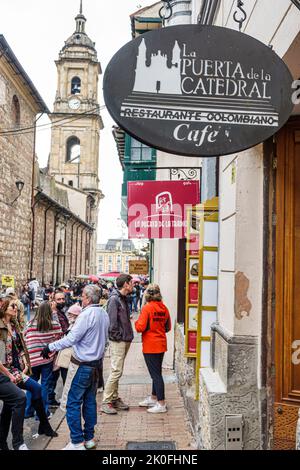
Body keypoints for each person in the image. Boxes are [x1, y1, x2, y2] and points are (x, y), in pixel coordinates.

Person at [41, 285, 109, 450]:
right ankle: (89, 438)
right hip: (95, 364)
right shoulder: (103, 313)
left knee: (72, 402)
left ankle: (77, 442)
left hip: (82, 364)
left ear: (87, 297)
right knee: (89, 401)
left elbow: (71, 339)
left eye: (83, 296)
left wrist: (50, 347)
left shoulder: (86, 315)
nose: (81, 298)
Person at [0, 299, 58, 437]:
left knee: (36, 388)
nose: (15, 308)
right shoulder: (1, 327)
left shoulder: (13, 326)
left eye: (16, 307)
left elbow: (20, 347)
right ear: (4, 308)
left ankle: (44, 426)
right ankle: (11, 441)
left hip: (14, 369)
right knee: (14, 402)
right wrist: (9, 374)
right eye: (12, 306)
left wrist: (26, 363)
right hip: (5, 371)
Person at [135, 284, 171, 414]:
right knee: (157, 372)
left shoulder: (147, 308)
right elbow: (168, 327)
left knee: (156, 375)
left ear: (148, 295)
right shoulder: (164, 308)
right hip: (161, 343)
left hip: (150, 345)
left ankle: (161, 403)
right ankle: (154, 397)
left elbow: (140, 327)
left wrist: (135, 322)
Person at [23, 302, 63, 419]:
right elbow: (59, 338)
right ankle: (42, 413)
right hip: (46, 359)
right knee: (45, 384)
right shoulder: (54, 324)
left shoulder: (30, 324)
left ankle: (28, 411)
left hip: (32, 359)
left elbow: (25, 337)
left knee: (32, 385)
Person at [101, 274, 134, 415]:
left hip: (124, 339)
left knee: (118, 370)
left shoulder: (122, 298)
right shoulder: (114, 299)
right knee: (116, 371)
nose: (133, 285)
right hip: (119, 340)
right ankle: (106, 401)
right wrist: (118, 337)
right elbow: (112, 322)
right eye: (131, 283)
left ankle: (114, 398)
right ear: (125, 284)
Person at [47, 290, 69, 406]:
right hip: (55, 348)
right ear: (53, 301)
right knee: (53, 375)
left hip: (62, 347)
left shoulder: (61, 312)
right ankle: (50, 398)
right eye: (58, 299)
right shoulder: (52, 313)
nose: (61, 301)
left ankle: (56, 398)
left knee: (61, 373)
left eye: (63, 299)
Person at [0, 363, 28, 450]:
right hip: (9, 371)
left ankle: (13, 443)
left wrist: (9, 374)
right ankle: (16, 443)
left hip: (9, 372)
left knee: (15, 400)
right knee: (19, 398)